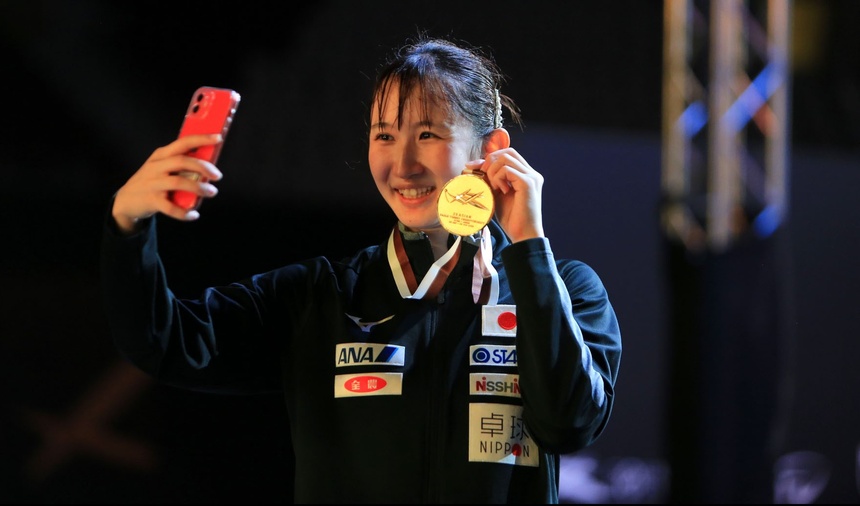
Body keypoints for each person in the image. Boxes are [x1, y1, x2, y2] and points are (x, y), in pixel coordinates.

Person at [101, 35, 622, 503]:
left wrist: (528, 247)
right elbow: (163, 341)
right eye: (385, 136)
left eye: (428, 135)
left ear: (490, 150)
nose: (403, 166)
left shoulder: (567, 290)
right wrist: (128, 224)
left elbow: (569, 424)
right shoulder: (321, 295)